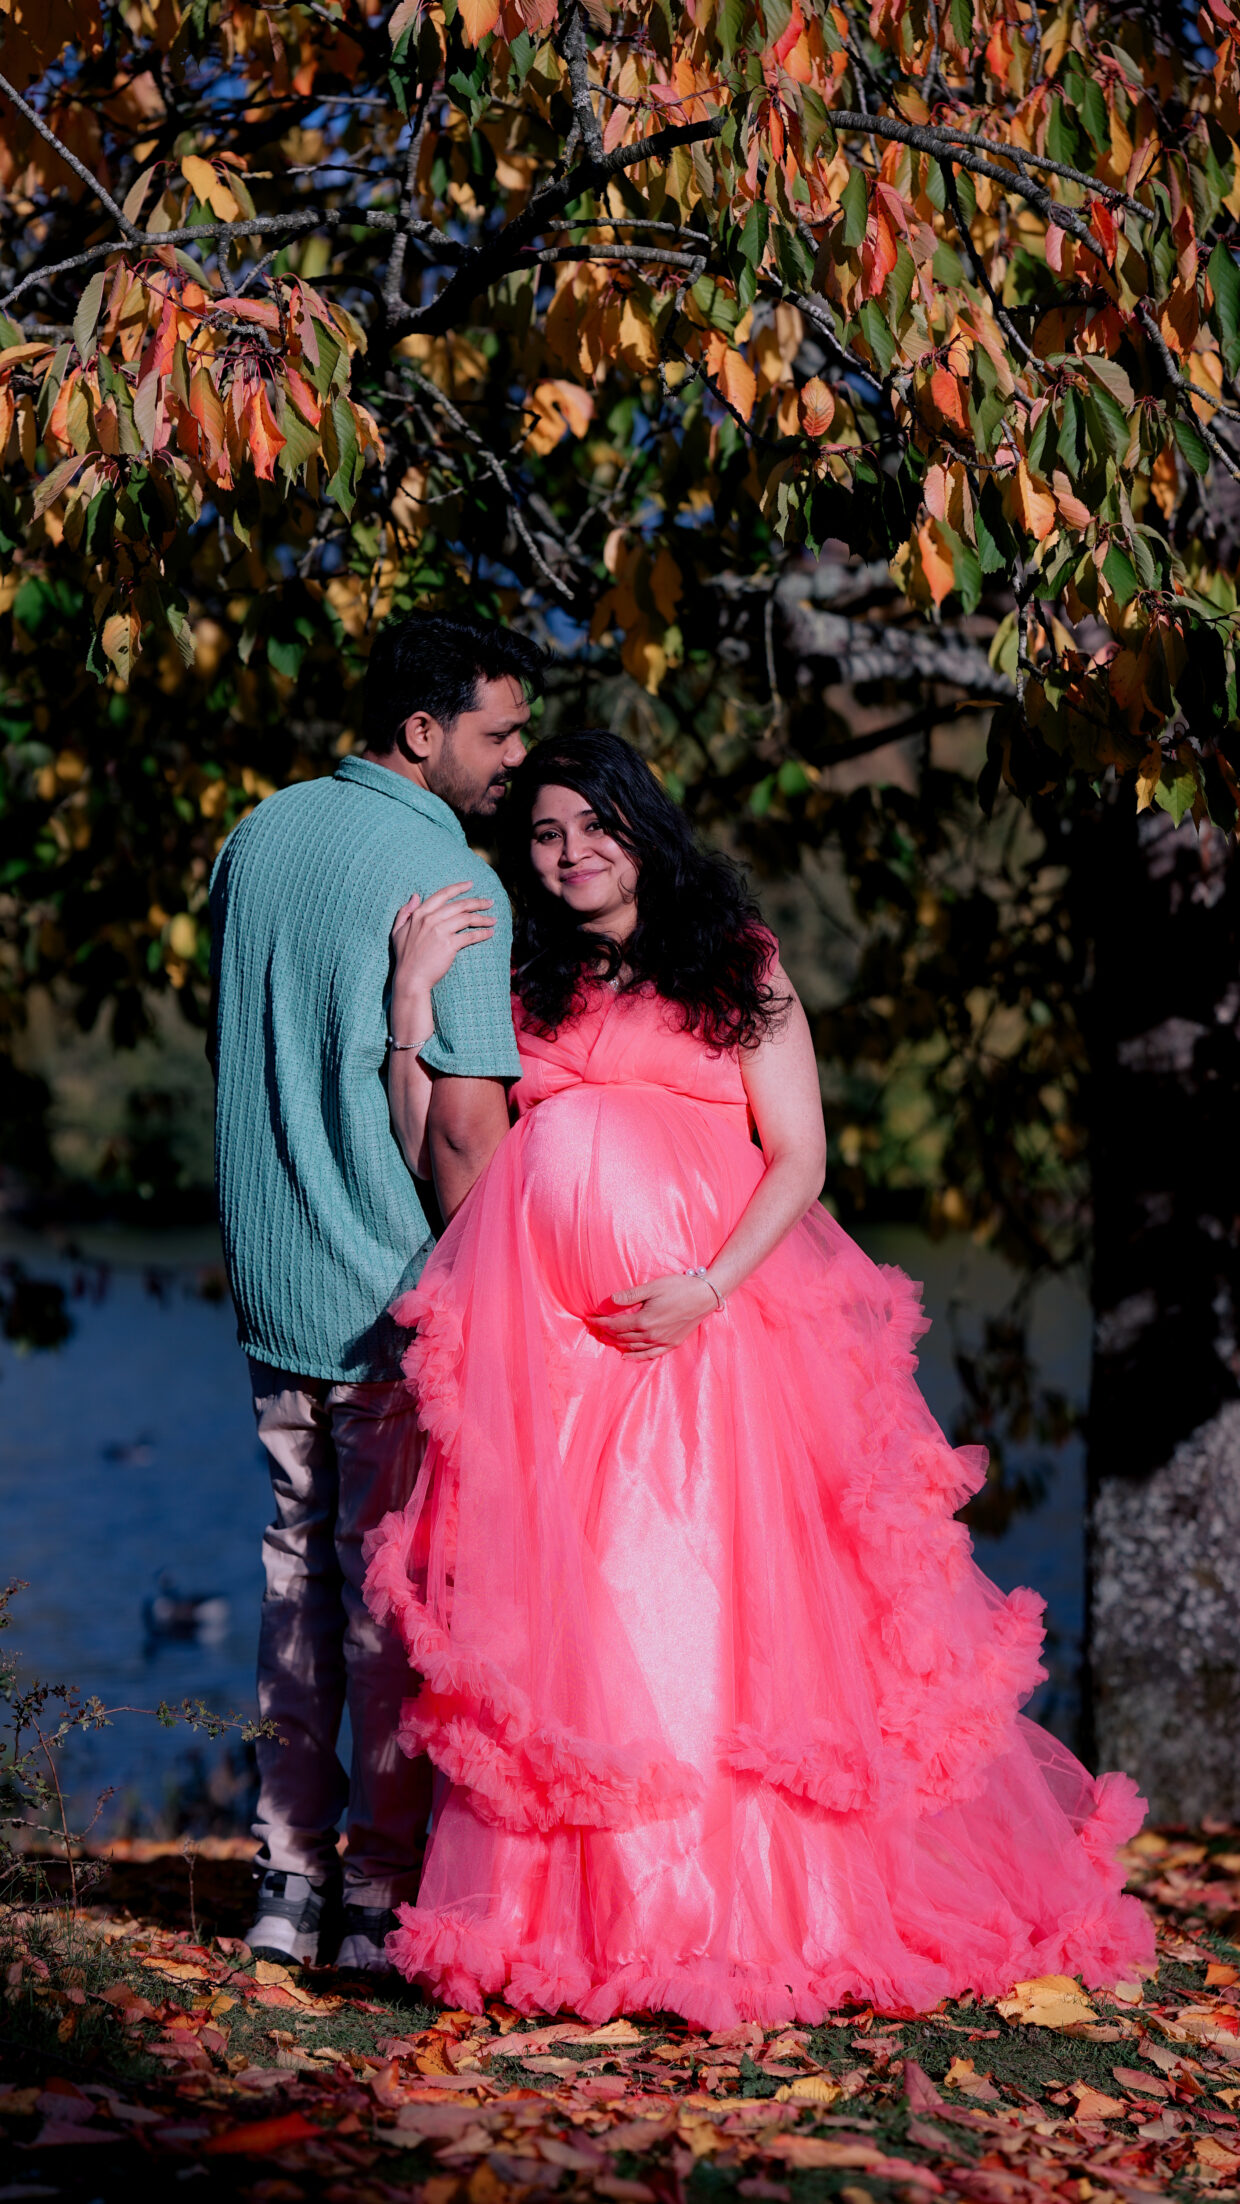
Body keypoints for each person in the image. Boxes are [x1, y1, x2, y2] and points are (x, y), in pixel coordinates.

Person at [363, 728, 1155, 2024]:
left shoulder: (735, 961)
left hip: (710, 1339)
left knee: (718, 1616)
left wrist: (708, 1286)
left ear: (641, 823)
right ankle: (599, 1916)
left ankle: (746, 1912)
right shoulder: (526, 979)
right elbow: (451, 1155)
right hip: (565, 1353)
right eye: (546, 834)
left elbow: (800, 1155)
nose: (568, 855)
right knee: (597, 1625)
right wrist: (411, 1012)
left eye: (591, 826)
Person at [208, 612, 545, 1970]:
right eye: (499, 732)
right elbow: (465, 1128)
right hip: (394, 1297)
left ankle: (283, 1883)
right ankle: (378, 1892)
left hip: (273, 1280)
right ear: (424, 733)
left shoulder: (254, 839)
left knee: (294, 1580)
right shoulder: (446, 874)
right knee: (394, 1603)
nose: (517, 757)